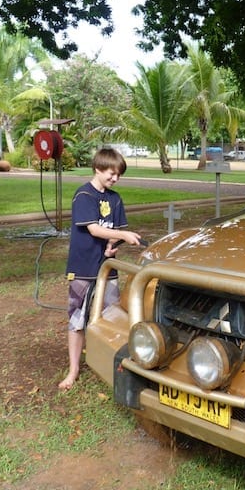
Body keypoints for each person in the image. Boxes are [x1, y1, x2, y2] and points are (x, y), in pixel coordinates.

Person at [58, 147, 143, 390]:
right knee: (77, 320)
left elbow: (110, 235)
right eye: (111, 173)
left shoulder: (115, 199)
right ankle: (73, 370)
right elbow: (94, 229)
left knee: (111, 320)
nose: (115, 179)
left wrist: (111, 246)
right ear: (97, 168)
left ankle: (109, 367)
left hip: (108, 270)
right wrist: (124, 235)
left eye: (118, 175)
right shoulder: (83, 195)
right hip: (83, 269)